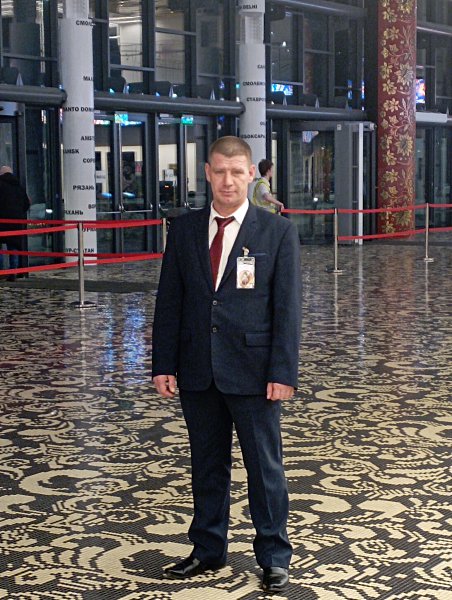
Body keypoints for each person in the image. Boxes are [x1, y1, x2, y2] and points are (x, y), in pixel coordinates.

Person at [152, 136, 301, 594]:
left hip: (255, 372)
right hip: (198, 368)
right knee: (206, 465)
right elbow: (170, 301)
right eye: (219, 171)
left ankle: (274, 556)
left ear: (252, 174)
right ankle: (207, 548)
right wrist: (163, 363)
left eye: (237, 172)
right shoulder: (184, 230)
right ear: (207, 173)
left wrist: (283, 372)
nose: (228, 181)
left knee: (264, 469)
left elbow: (287, 309)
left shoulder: (276, 231)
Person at [0, 165, 31, 281]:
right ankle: (13, 271)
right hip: (15, 221)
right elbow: (26, 204)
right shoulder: (19, 187)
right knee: (13, 246)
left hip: (2, 220)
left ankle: (1, 271)